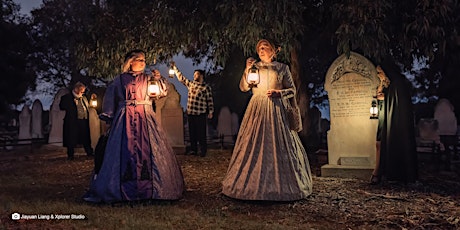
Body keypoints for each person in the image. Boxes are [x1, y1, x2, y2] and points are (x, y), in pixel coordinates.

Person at [83, 49, 184, 203]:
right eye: (140, 60)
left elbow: (162, 91)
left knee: (149, 150)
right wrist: (109, 119)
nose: (143, 63)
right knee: (124, 149)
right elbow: (111, 100)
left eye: (144, 60)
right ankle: (120, 189)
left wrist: (158, 78)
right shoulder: (119, 80)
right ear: (131, 62)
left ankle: (153, 189)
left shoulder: (149, 79)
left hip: (146, 118)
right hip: (124, 120)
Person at [221, 39, 313, 201]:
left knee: (279, 145)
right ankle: (251, 183)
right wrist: (246, 69)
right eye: (259, 48)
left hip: (277, 109)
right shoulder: (255, 67)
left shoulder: (282, 68)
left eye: (265, 47)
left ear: (274, 50)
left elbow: (292, 90)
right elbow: (244, 87)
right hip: (257, 108)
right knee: (253, 143)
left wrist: (280, 94)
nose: (261, 50)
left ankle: (281, 184)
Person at [370, 63, 418, 185]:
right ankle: (381, 171)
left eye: (380, 73)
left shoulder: (397, 84)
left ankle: (389, 173)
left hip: (394, 121)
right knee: (379, 142)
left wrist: (384, 99)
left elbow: (395, 105)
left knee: (390, 142)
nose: (379, 75)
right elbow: (383, 98)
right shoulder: (388, 84)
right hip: (384, 118)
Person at [171, 63, 214, 157]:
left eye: (197, 74)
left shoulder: (206, 87)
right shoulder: (191, 84)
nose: (194, 76)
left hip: (200, 113)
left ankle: (203, 151)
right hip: (191, 113)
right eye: (194, 74)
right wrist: (174, 68)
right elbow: (181, 78)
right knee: (192, 133)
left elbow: (209, 100)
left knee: (201, 133)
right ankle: (194, 150)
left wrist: (211, 112)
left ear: (201, 75)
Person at [59, 82, 94, 160]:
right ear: (76, 89)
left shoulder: (84, 98)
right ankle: (70, 155)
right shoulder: (67, 97)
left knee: (85, 137)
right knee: (71, 138)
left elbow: (87, 106)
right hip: (72, 122)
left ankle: (89, 152)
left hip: (83, 120)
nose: (83, 92)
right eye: (81, 90)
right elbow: (61, 106)